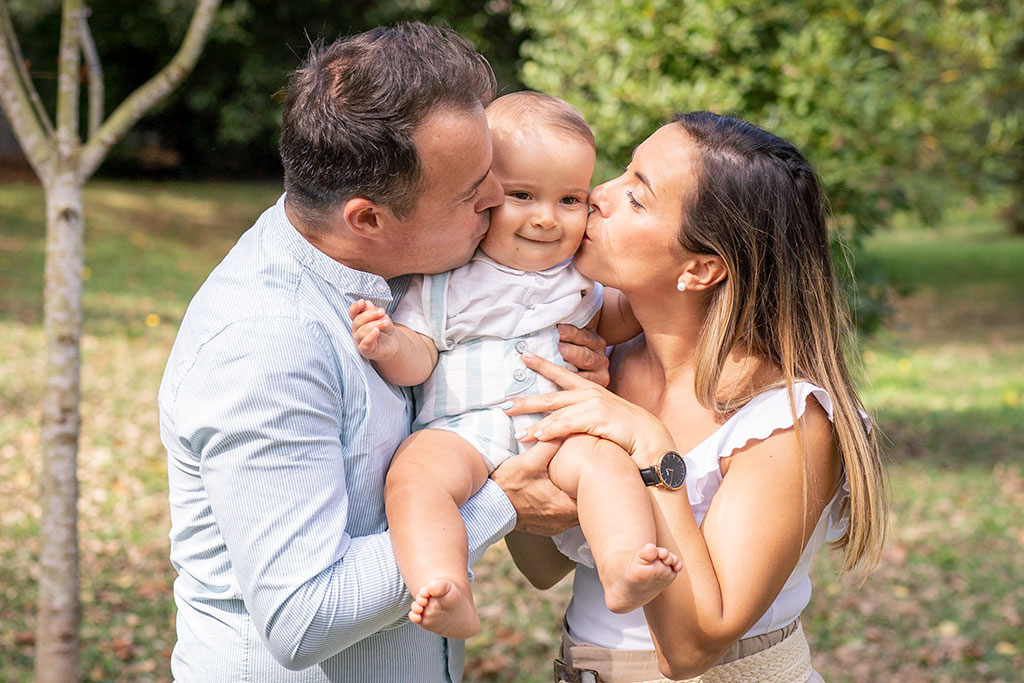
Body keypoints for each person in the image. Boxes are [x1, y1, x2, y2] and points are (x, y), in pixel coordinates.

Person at [158, 24, 608, 682]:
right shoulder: (268, 344)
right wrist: (501, 500)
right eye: (472, 191)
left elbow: (543, 561)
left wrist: (554, 382)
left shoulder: (415, 277)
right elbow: (303, 616)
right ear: (367, 219)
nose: (495, 200)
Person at [501, 111, 888, 682]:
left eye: (637, 198)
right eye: (620, 174)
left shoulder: (785, 421)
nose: (598, 196)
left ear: (702, 267)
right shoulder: (600, 368)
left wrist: (653, 448)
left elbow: (692, 649)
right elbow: (542, 566)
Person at [349, 91, 682, 641]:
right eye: (522, 195)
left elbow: (624, 317)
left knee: (606, 465)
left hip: (558, 432)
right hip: (462, 431)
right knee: (415, 476)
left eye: (571, 200)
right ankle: (444, 581)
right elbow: (420, 356)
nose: (547, 219)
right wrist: (388, 346)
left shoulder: (582, 280)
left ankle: (624, 564)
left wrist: (661, 286)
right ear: (481, 198)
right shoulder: (445, 278)